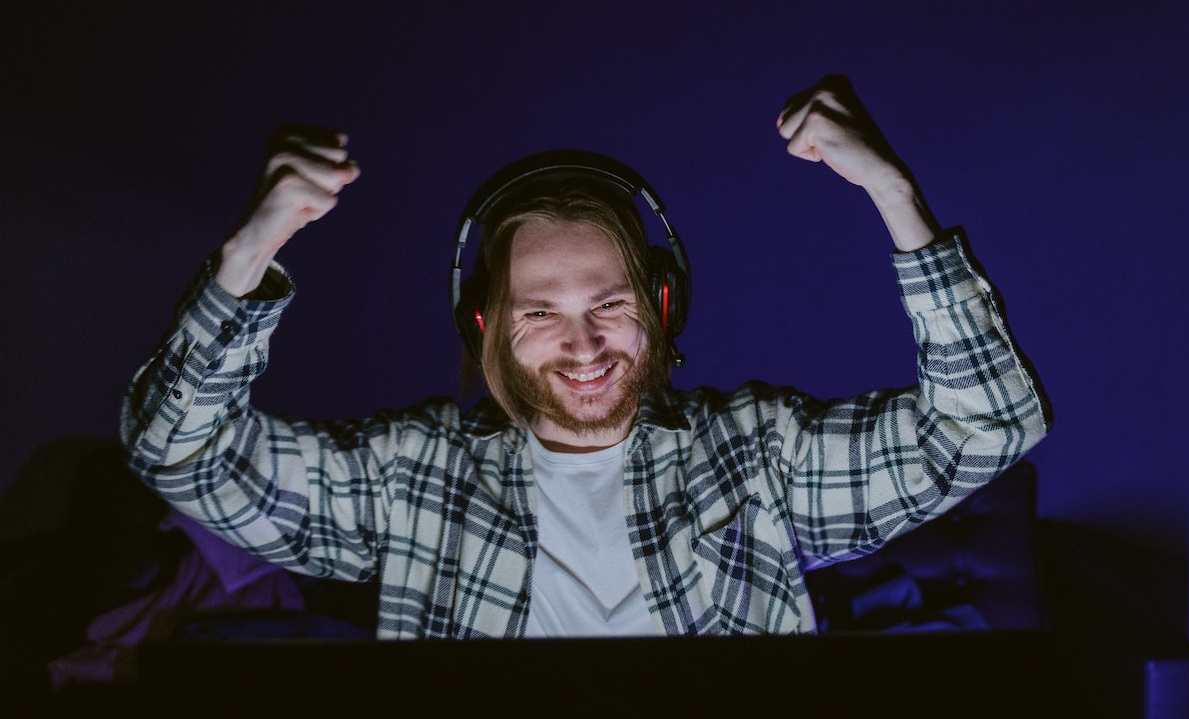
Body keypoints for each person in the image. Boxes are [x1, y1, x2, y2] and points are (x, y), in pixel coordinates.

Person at [121, 74, 1050, 640]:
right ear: (486, 328)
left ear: (661, 306)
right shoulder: (409, 476)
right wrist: (249, 256)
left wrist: (893, 191)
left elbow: (989, 423)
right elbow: (179, 453)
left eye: (609, 305)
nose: (584, 344)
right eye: (540, 313)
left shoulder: (764, 452)